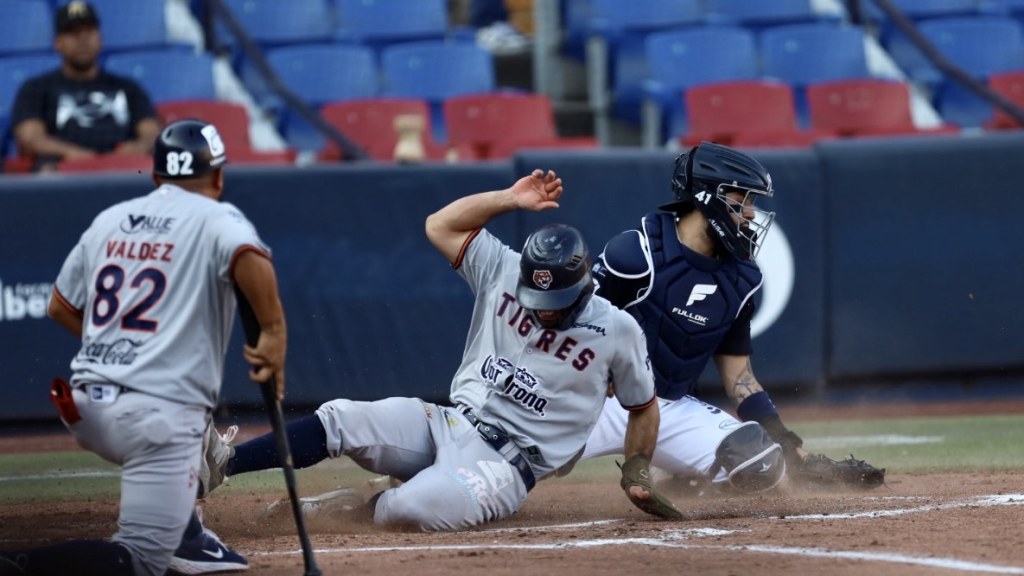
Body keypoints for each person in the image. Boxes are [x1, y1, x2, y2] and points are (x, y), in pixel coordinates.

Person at [196, 168, 682, 532]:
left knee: (412, 508)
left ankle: (347, 508)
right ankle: (221, 464)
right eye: (536, 302)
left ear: (583, 288)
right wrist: (508, 198)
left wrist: (636, 468)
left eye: (554, 304)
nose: (542, 312)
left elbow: (643, 407)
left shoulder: (617, 329)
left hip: (509, 464)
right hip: (451, 420)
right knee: (341, 418)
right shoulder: (505, 271)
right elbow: (440, 225)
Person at [0, 119, 287, 576]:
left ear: (156, 177)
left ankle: (187, 532)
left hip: (85, 408)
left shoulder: (110, 218)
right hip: (155, 417)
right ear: (218, 176)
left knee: (183, 410)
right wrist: (272, 331)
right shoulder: (218, 217)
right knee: (143, 557)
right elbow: (249, 257)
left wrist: (123, 348)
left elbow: (59, 306)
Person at [580, 141, 885, 495]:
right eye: (745, 201)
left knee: (764, 466)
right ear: (710, 197)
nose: (752, 214)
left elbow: (739, 378)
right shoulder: (638, 253)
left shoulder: (740, 279)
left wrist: (789, 447)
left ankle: (688, 486)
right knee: (512, 465)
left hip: (668, 408)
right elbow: (576, 324)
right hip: (599, 399)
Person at [8, 1, 162, 172]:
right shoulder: (36, 88)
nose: (82, 39)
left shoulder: (128, 88)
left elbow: (152, 133)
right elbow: (30, 139)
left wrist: (137, 147)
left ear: (100, 38)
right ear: (57, 43)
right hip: (63, 171)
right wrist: (74, 154)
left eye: (89, 32)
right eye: (73, 33)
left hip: (122, 170)